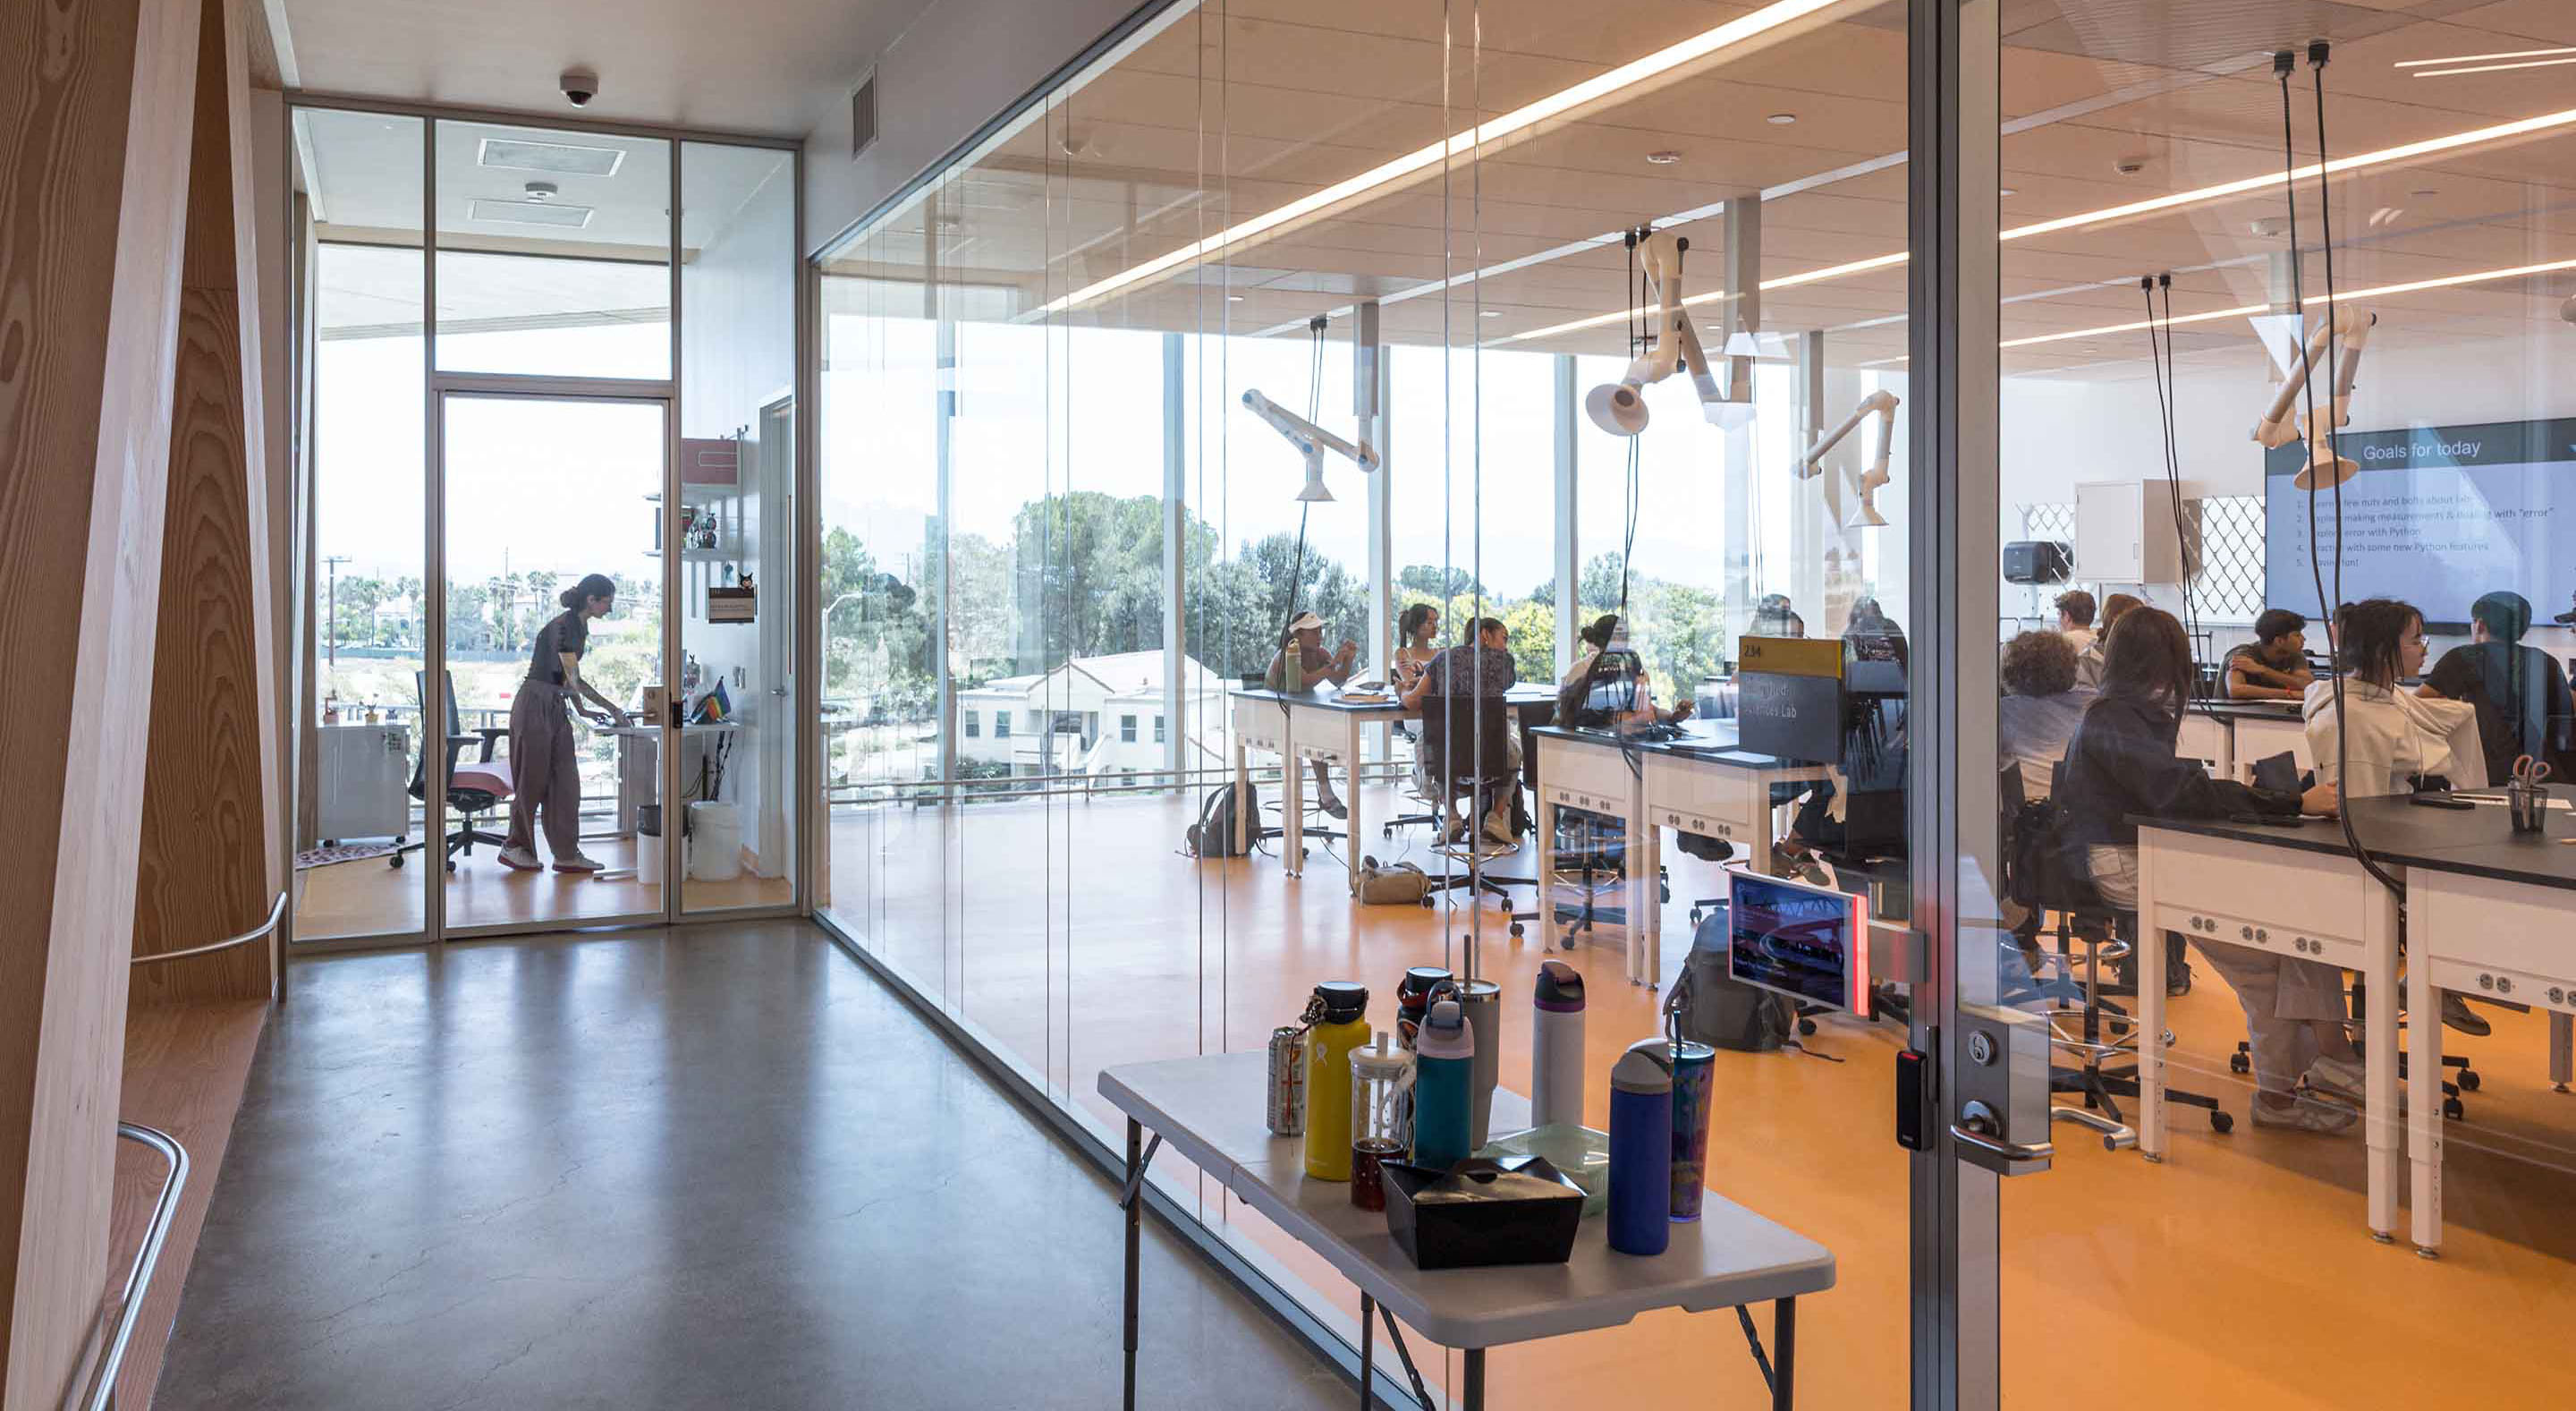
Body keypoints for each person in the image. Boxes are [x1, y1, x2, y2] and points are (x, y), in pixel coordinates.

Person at [2055, 606, 2352, 1131]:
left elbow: (2169, 788)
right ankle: (2293, 1087)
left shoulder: (2120, 715)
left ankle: (2325, 1060)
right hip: (2124, 866)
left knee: (2298, 930)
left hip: (2134, 854)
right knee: (2269, 957)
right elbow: (2175, 791)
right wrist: (2289, 802)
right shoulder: (2114, 719)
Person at [2303, 598, 2489, 1036]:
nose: (2424, 648)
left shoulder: (2379, 698)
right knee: (2476, 883)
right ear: (2383, 648)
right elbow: (2363, 822)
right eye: (2415, 639)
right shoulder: (2355, 717)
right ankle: (2433, 980)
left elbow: (2443, 718)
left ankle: (2435, 979)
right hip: (2377, 856)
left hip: (2399, 831)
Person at [499, 574, 630, 874]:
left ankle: (566, 853)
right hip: (535, 705)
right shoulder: (564, 626)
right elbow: (575, 680)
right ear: (591, 600)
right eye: (607, 601)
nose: (610, 608)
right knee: (532, 782)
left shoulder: (579, 626)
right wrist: (613, 708)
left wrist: (582, 710)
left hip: (555, 704)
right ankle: (516, 847)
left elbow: (568, 680)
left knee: (566, 782)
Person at [2418, 590, 2573, 786]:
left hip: (2486, 775)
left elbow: (2417, 706)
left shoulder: (2464, 657)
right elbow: (2564, 717)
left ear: (2480, 624)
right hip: (2544, 774)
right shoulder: (2545, 661)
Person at [1402, 616, 1521, 846]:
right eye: (1503, 638)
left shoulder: (1443, 660)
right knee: (1514, 751)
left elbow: (1412, 702)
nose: (1505, 646)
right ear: (1484, 634)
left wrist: (1402, 691)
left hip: (1449, 758)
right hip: (1491, 757)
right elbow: (1505, 684)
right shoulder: (1504, 662)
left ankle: (1452, 814)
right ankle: (1496, 816)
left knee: (1442, 742)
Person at [1267, 610, 1358, 817]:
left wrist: (1347, 660)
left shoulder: (1320, 653)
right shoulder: (1289, 653)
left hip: (1301, 715)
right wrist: (1333, 662)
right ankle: (1325, 792)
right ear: (1298, 634)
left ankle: (1325, 790)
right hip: (1276, 715)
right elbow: (1303, 681)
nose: (1320, 637)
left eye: (1320, 631)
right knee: (1313, 736)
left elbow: (1336, 680)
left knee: (1318, 733)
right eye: (1314, 632)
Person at [1557, 614, 1692, 732]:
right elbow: (1571, 714)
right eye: (1623, 637)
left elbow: (1651, 710)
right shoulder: (1582, 669)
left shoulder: (1630, 669)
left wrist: (1673, 717)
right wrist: (1640, 716)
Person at [1997, 629, 2089, 800]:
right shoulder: (2088, 705)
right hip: (2075, 809)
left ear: (2011, 671)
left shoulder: (2002, 712)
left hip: (2021, 810)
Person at [2224, 608, 2314, 701]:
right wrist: (2289, 694)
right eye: (2297, 635)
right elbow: (2235, 690)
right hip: (2230, 715)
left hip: (2271, 713)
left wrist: (2264, 670)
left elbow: (2308, 685)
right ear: (2279, 641)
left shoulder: (2295, 655)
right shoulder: (2242, 655)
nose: (2304, 639)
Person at [2073, 592, 2140, 689]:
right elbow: (2083, 696)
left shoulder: (2141, 653)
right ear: (2115, 619)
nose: (2141, 625)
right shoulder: (2087, 659)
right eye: (2135, 619)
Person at [1390, 603, 1442, 693]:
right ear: (1416, 626)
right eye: (1429, 622)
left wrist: (1419, 669)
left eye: (1436, 621)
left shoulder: (1440, 653)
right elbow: (1412, 685)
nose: (1435, 626)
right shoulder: (1402, 653)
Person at [2055, 588, 2098, 654]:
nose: (2058, 620)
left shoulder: (2064, 642)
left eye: (2059, 614)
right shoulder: (2100, 638)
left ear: (2067, 616)